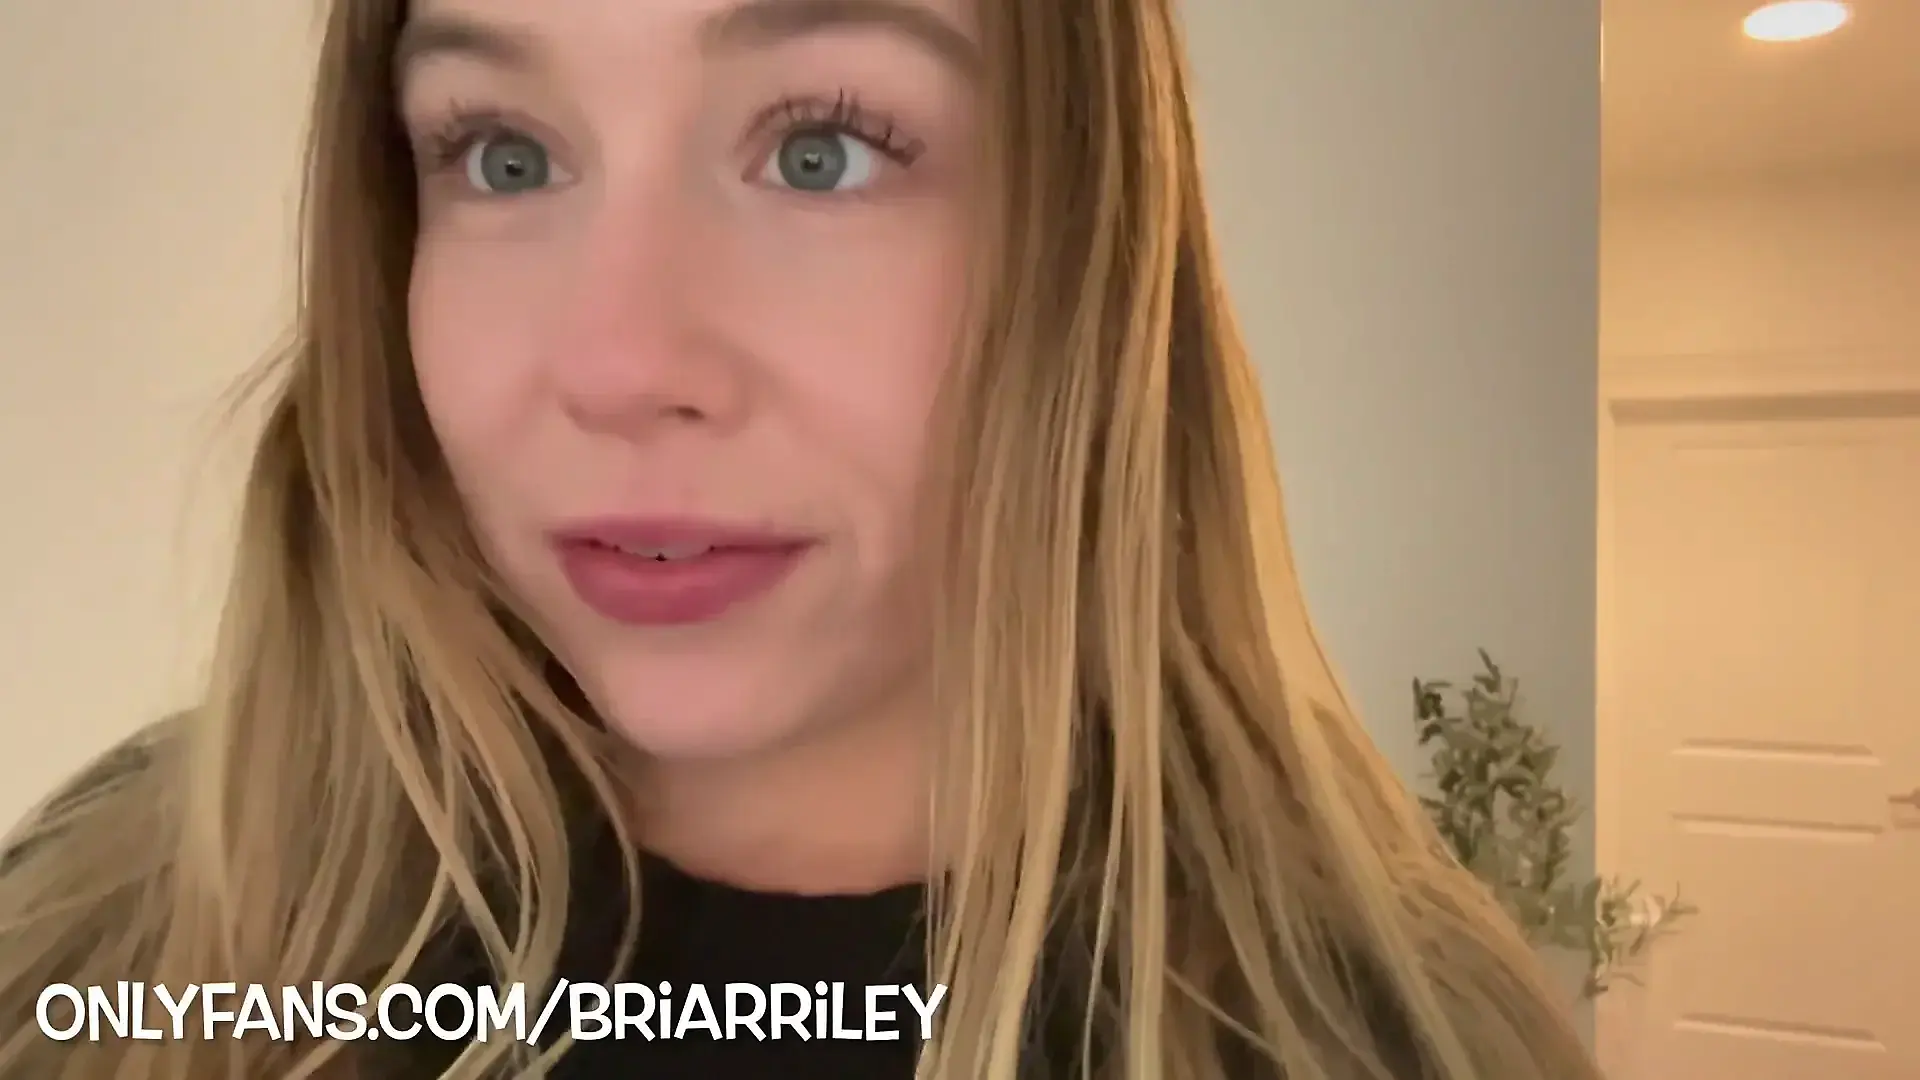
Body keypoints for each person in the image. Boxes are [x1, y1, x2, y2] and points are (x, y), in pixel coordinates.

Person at [0, 0, 1601, 1077]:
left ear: (1085, 243)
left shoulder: (1387, 1042)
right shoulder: (120, 929)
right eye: (503, 155)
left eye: (822, 150)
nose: (620, 363)